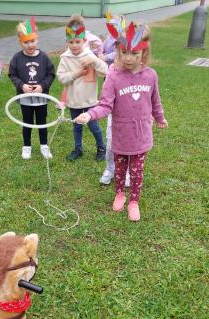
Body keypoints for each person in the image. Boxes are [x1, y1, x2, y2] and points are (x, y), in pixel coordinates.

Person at [75, 22, 168, 221]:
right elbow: (105, 105)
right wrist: (90, 115)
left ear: (144, 52)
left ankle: (134, 201)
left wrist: (160, 117)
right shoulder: (113, 76)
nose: (128, 58)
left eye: (134, 53)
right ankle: (120, 194)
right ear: (118, 50)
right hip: (120, 135)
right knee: (119, 169)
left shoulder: (150, 76)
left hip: (141, 135)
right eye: (124, 52)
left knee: (136, 172)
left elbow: (155, 101)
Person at [56, 14, 108, 162]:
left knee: (93, 126)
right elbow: (61, 77)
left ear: (84, 41)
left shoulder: (90, 56)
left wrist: (95, 61)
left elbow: (106, 71)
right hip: (74, 101)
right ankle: (78, 149)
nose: (74, 45)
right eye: (71, 42)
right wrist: (76, 74)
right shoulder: (65, 58)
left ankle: (101, 147)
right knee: (77, 127)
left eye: (77, 41)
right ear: (67, 42)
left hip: (89, 101)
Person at [8, 17, 55, 160]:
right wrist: (21, 85)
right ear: (20, 42)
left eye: (32, 41)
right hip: (25, 99)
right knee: (27, 123)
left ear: (37, 39)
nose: (30, 45)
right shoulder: (17, 58)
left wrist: (42, 86)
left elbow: (51, 74)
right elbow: (12, 74)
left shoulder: (44, 57)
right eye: (26, 42)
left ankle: (44, 146)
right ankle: (26, 146)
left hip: (41, 98)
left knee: (42, 123)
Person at [99, 13, 129, 186]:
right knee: (111, 143)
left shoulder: (140, 73)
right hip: (114, 112)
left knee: (128, 144)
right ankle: (110, 169)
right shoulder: (111, 73)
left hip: (131, 116)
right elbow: (105, 100)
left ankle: (126, 171)